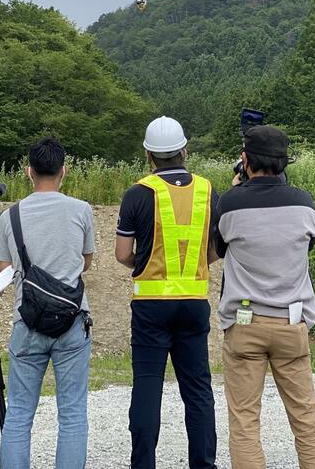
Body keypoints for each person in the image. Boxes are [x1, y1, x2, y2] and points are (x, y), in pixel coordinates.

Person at [216, 124, 315, 469]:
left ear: (245, 160)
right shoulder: (304, 203)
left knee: (245, 422)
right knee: (305, 417)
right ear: (284, 162)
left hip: (244, 325)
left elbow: (219, 249)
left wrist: (236, 189)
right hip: (291, 322)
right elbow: (308, 243)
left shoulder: (230, 204)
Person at [114, 116, 219, 469]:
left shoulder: (137, 193)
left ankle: (143, 464)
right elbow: (216, 249)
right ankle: (203, 464)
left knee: (147, 386)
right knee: (198, 390)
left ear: (148, 155)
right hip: (193, 302)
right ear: (184, 150)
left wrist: (145, 266)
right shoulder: (207, 190)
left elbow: (122, 253)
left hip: (150, 305)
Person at [0, 137, 95, 469]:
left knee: (20, 413)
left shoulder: (12, 215)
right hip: (73, 321)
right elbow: (86, 261)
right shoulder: (81, 209)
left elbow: (1, 264)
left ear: (28, 172)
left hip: (28, 320)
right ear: (64, 171)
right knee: (73, 412)